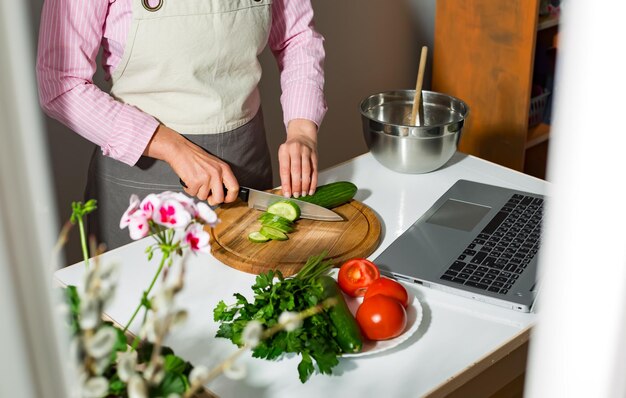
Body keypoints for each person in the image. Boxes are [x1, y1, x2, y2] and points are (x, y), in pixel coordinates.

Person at [36, 0, 327, 250]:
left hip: (247, 165)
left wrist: (302, 131)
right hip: (142, 178)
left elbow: (297, 37)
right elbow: (60, 83)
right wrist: (171, 147)